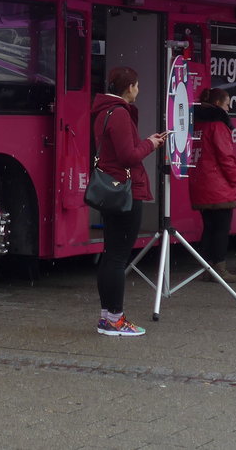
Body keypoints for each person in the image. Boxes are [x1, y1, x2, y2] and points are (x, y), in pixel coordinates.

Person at [90, 67, 167, 336]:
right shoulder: (120, 113)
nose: (138, 90)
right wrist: (150, 144)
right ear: (129, 87)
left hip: (110, 189)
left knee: (110, 254)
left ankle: (106, 317)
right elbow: (128, 156)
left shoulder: (103, 111)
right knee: (118, 258)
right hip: (125, 191)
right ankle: (116, 319)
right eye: (137, 85)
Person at [190, 88, 236, 283]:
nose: (229, 109)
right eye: (228, 104)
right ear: (219, 104)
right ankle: (219, 268)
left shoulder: (196, 123)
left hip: (201, 182)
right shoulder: (218, 125)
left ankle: (206, 267)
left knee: (209, 227)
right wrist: (235, 178)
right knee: (221, 228)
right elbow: (225, 157)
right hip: (218, 184)